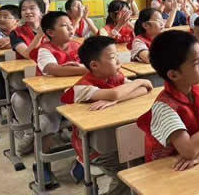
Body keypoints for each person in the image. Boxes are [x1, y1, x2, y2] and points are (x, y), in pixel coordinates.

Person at [61, 36, 152, 194]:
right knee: (128, 176)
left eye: (117, 55)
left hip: (121, 139)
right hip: (94, 149)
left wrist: (117, 99)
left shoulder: (116, 77)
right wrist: (138, 82)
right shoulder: (82, 88)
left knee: (147, 164)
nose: (118, 61)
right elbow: (115, 93)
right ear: (94, 65)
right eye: (112, 57)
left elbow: (145, 88)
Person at [136, 30, 199, 166]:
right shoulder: (164, 107)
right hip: (166, 171)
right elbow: (189, 151)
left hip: (194, 168)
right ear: (174, 75)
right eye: (196, 63)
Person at [32, 11, 89, 185]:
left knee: (93, 119)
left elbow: (91, 63)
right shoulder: (45, 49)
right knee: (46, 124)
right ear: (50, 32)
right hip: (52, 100)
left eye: (71, 25)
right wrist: (84, 69)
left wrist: (76, 68)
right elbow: (53, 69)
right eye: (64, 26)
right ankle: (41, 165)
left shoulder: (78, 45)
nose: (71, 28)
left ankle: (83, 159)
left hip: (77, 95)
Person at [9, 0, 47, 155]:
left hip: (50, 75)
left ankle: (49, 132)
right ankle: (29, 133)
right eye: (24, 9)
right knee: (18, 98)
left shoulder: (52, 28)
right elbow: (26, 54)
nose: (27, 11)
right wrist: (40, 35)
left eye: (32, 8)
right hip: (26, 78)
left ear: (41, 11)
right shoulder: (16, 32)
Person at [0, 4, 20, 101]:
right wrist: (20, 41)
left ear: (16, 21)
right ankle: (6, 103)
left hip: (19, 68)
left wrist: (12, 40)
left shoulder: (22, 31)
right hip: (0, 70)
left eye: (5, 17)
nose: (1, 19)